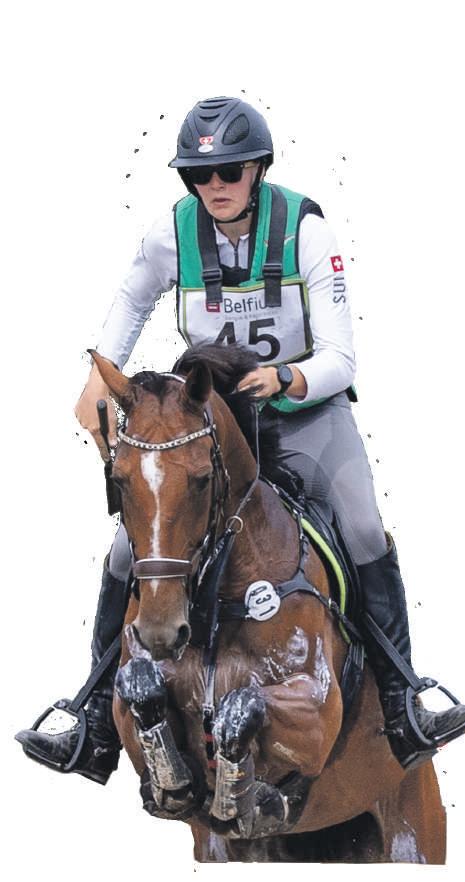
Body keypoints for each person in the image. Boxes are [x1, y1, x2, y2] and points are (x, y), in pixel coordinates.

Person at [16, 95, 465, 782]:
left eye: (230, 171)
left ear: (257, 169)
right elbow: (132, 299)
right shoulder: (170, 234)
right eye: (201, 175)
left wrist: (286, 377)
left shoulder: (304, 230)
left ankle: (404, 702)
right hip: (210, 418)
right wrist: (100, 376)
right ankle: (95, 720)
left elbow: (342, 359)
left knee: (362, 527)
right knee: (126, 549)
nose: (216, 185)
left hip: (303, 408)